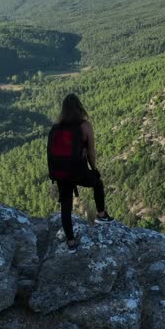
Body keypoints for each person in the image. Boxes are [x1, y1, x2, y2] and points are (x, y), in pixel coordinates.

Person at [49, 94, 114, 251]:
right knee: (97, 183)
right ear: (79, 107)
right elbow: (91, 152)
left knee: (66, 206)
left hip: (60, 173)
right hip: (78, 172)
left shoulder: (56, 127)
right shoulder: (85, 126)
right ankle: (101, 215)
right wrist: (94, 169)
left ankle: (71, 243)